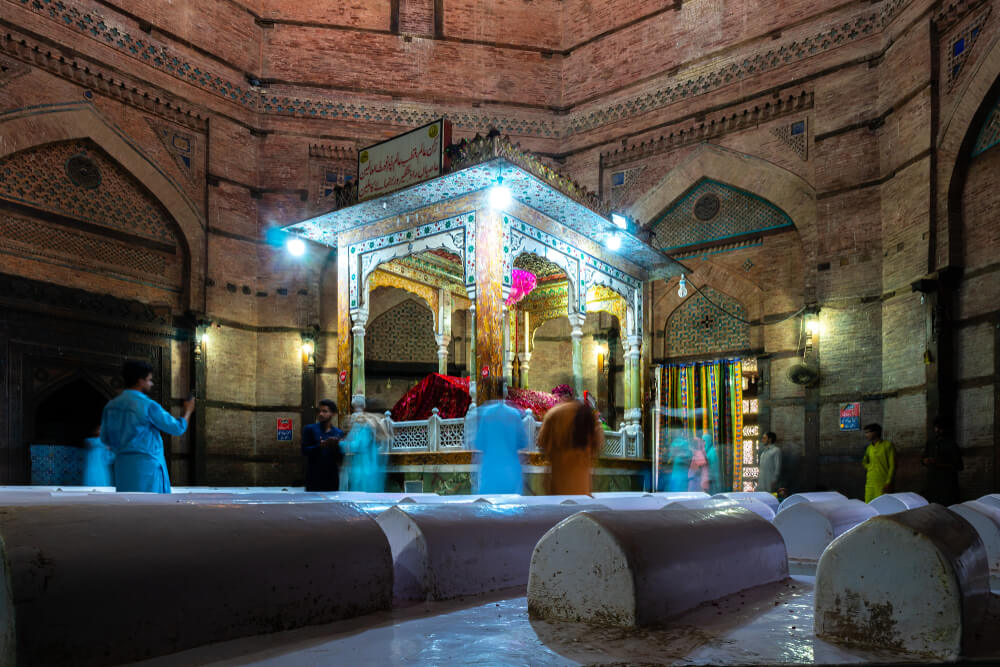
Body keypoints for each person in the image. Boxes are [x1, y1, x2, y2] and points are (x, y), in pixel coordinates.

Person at [100, 359, 193, 493]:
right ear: (140, 380)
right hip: (147, 469)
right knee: (151, 511)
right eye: (149, 379)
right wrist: (188, 410)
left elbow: (105, 439)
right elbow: (177, 428)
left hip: (122, 468)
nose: (151, 383)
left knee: (128, 510)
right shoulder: (147, 405)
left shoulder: (111, 406)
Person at [537, 396, 604, 495]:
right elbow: (599, 443)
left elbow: (541, 442)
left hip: (559, 484)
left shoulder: (553, 413)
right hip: (581, 484)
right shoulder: (588, 414)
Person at [474, 400, 527, 494]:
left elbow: (479, 443)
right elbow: (523, 442)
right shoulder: (514, 414)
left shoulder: (487, 414)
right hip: (510, 471)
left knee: (488, 504)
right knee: (513, 504)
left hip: (490, 470)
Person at [343, 396, 390, 492]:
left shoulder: (364, 423)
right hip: (374, 466)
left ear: (365, 408)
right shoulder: (378, 422)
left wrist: (339, 444)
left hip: (362, 468)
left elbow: (357, 446)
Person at [302, 398, 345, 492]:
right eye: (319, 411)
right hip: (314, 476)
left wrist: (338, 446)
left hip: (332, 476)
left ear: (333, 413)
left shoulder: (338, 433)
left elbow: (341, 458)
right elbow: (304, 450)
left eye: (325, 411)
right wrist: (320, 446)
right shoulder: (309, 429)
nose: (321, 414)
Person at [922, 416, 963, 505]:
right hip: (933, 484)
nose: (937, 431)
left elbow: (959, 466)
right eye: (936, 428)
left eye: (940, 428)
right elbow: (923, 458)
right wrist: (925, 461)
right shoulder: (931, 443)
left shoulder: (952, 444)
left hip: (947, 485)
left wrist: (940, 464)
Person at [861, 423, 895, 503]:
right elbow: (864, 461)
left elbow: (893, 465)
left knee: (882, 504)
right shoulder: (869, 448)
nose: (866, 435)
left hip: (882, 482)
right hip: (870, 482)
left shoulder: (888, 445)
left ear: (876, 432)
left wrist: (888, 482)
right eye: (865, 432)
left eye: (868, 432)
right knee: (869, 504)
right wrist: (869, 467)